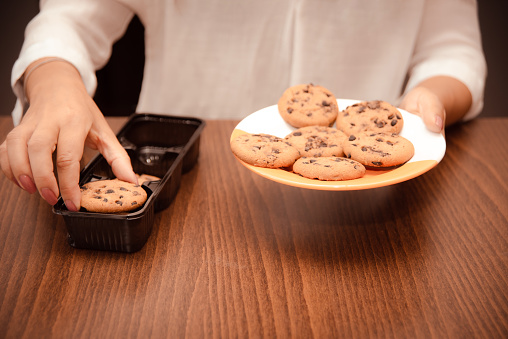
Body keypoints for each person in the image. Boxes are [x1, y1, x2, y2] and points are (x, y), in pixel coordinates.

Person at [0, 0, 487, 211]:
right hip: (181, 189)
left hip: (367, 208)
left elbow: (453, 50)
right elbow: (69, 21)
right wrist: (52, 80)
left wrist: (430, 99)